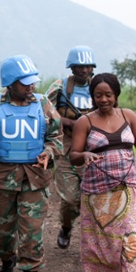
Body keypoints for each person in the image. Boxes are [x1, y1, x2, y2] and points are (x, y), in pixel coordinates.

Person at [0, 55, 62, 272]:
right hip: (1, 180)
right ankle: (7, 259)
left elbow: (56, 137)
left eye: (32, 81)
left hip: (35, 178)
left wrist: (49, 152)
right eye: (24, 82)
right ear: (10, 82)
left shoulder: (43, 103)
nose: (31, 85)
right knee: (3, 233)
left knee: (32, 233)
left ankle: (30, 266)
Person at [69, 73, 136, 271]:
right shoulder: (85, 122)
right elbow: (73, 155)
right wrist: (85, 154)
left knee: (130, 237)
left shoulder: (128, 115)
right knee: (98, 241)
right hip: (96, 193)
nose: (104, 99)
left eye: (108, 94)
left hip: (128, 188)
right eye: (98, 95)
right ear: (93, 96)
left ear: (116, 95)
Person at [44, 45, 96, 249]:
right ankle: (66, 227)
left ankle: (91, 240)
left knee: (92, 198)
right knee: (71, 199)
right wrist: (67, 122)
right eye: (80, 67)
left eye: (88, 67)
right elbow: (45, 111)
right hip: (65, 147)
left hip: (92, 148)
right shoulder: (60, 86)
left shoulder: (98, 86)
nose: (84, 71)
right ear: (72, 68)